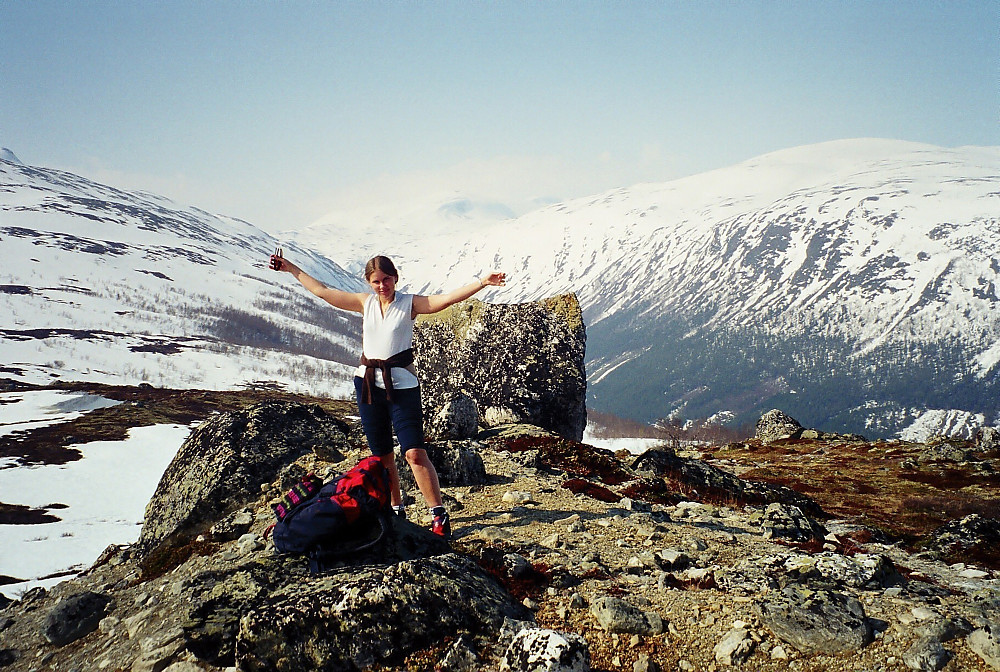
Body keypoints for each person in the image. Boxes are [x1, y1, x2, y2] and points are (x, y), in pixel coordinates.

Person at [270, 250, 506, 538]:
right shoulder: (364, 303)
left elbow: (445, 300)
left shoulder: (409, 304)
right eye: (376, 281)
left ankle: (438, 512)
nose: (382, 286)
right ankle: (396, 509)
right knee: (382, 456)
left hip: (403, 386)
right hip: (368, 384)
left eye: (386, 279)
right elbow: (322, 291)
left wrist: (482, 282)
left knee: (415, 453)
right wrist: (288, 267)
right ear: (369, 283)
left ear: (395, 278)